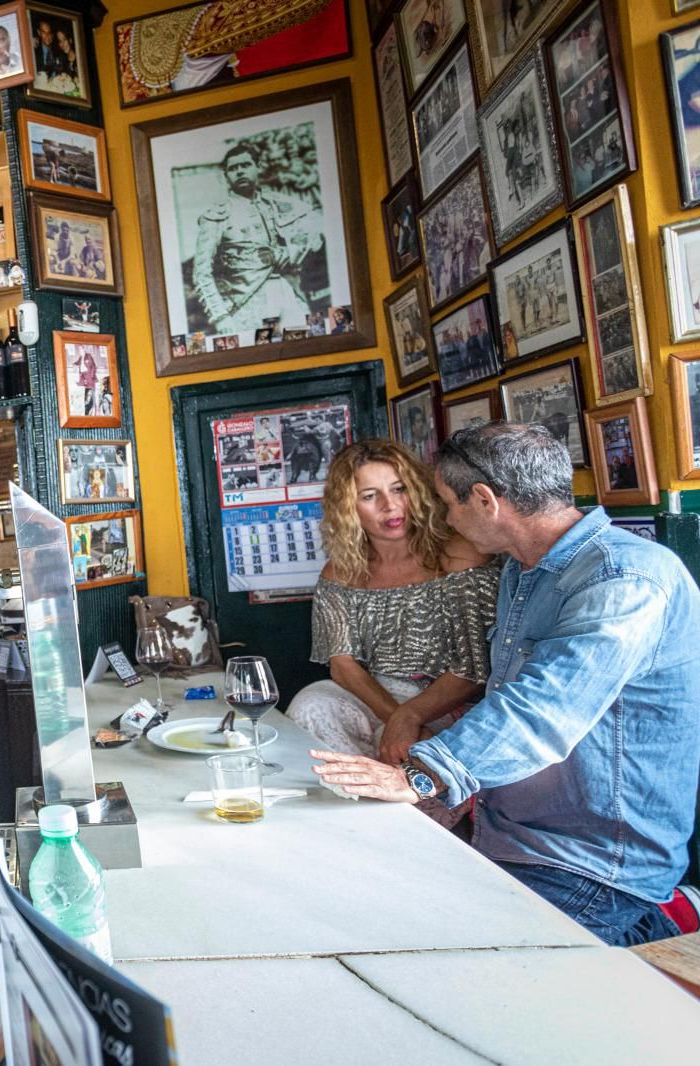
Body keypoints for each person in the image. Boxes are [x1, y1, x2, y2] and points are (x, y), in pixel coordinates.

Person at [313, 423, 700, 947]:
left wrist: (424, 776)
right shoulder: (525, 571)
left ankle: (660, 918)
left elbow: (545, 708)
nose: (445, 517)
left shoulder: (625, 578)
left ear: (484, 500)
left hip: (590, 860)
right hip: (513, 834)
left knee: (451, 966)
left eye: (448, 503)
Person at [289, 441, 496, 769]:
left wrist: (409, 718)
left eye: (398, 489)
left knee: (396, 741)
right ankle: (359, 798)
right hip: (377, 695)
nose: (390, 506)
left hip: (446, 699)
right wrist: (398, 718)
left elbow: (472, 669)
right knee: (310, 703)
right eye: (370, 496)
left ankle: (400, 804)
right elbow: (343, 667)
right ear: (348, 508)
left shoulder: (461, 555)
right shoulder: (339, 572)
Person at [192, 145, 320, 335]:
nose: (240, 171)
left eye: (245, 165)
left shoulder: (276, 203)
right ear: (226, 175)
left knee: (305, 347)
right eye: (233, 169)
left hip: (289, 292)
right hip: (246, 302)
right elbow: (201, 273)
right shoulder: (216, 217)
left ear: (258, 167)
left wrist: (290, 252)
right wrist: (220, 316)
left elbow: (314, 233)